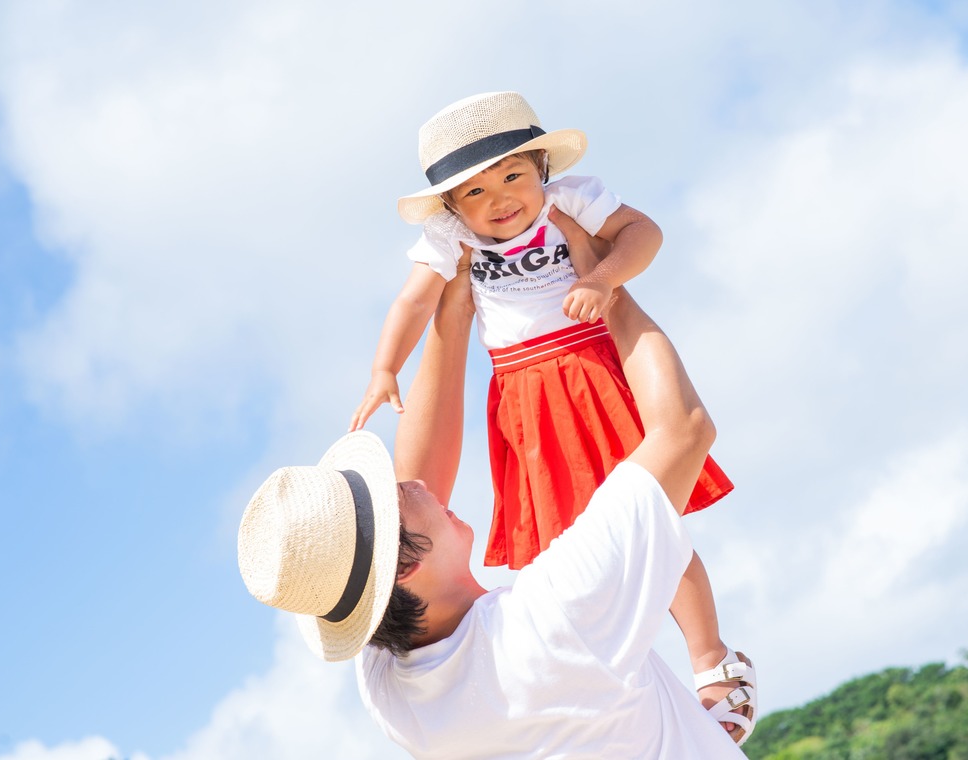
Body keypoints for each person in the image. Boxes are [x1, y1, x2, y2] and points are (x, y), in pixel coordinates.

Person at [238, 222, 757, 757]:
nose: (413, 482)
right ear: (404, 567)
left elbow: (403, 508)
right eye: (395, 494)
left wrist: (457, 303)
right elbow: (685, 430)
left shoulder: (392, 686)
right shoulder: (556, 615)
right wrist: (602, 280)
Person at [346, 92, 744, 722]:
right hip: (522, 389)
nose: (499, 199)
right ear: (451, 206)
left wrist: (603, 277)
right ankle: (631, 662)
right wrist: (384, 366)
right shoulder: (450, 239)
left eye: (512, 177)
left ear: (542, 170)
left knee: (649, 514)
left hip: (587, 357)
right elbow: (414, 301)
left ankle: (710, 654)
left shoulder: (571, 200)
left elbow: (644, 233)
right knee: (571, 535)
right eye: (474, 193)